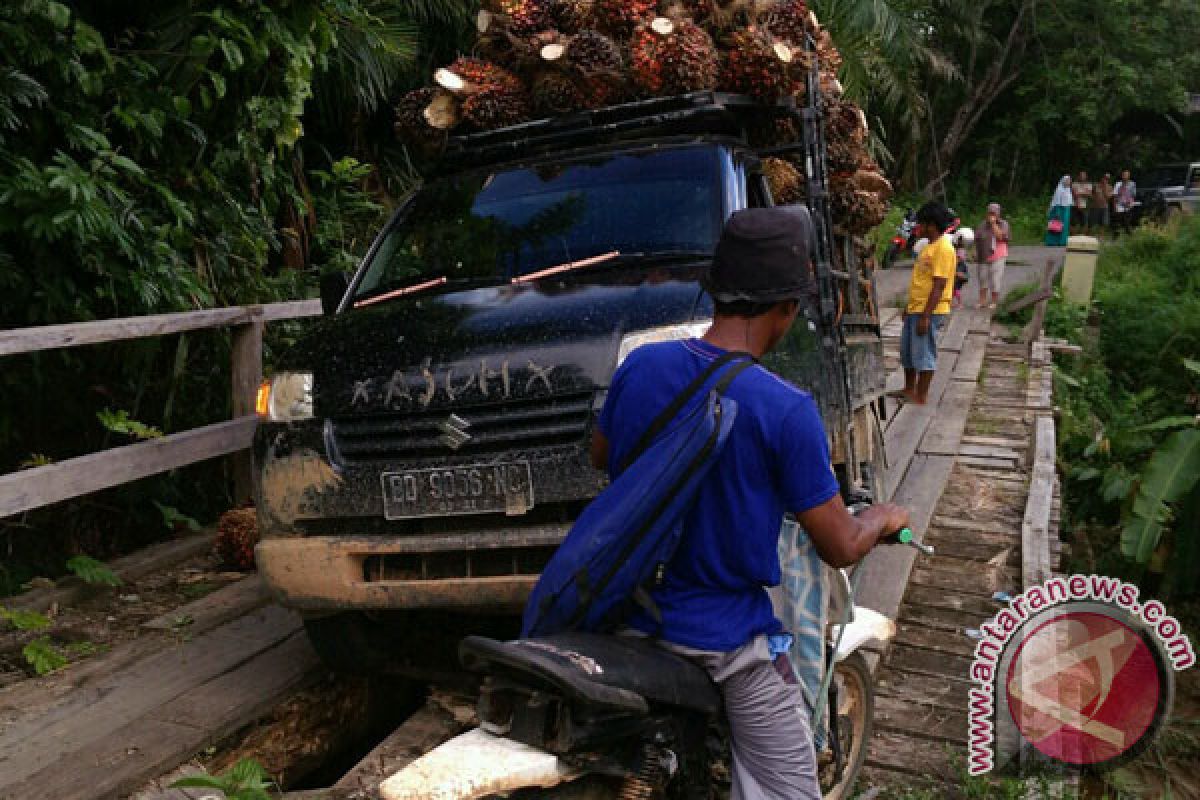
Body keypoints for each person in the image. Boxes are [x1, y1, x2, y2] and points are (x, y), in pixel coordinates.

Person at [590, 207, 910, 800]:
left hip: (626, 614)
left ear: (714, 290)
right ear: (789, 307)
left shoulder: (640, 368)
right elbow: (838, 543)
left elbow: (600, 454)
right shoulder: (785, 409)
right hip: (720, 641)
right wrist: (882, 518)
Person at [898, 202, 956, 404]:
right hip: (917, 307)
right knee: (907, 351)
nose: (918, 228)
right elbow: (921, 281)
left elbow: (939, 285)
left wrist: (926, 316)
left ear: (931, 225)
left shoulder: (943, 249)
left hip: (929, 310)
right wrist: (909, 306)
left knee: (923, 353)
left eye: (921, 224)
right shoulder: (928, 247)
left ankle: (921, 395)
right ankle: (908, 388)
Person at [974, 202, 1010, 309]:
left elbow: (1000, 237)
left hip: (998, 255)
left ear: (999, 213)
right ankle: (982, 301)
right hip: (983, 255)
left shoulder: (1004, 224)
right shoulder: (982, 224)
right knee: (982, 278)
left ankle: (994, 301)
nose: (992, 215)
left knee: (995, 279)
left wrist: (994, 224)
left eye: (994, 213)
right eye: (990, 212)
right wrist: (975, 251)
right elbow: (977, 239)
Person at [1046, 176, 1073, 246]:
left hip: (1066, 210)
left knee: (1064, 227)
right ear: (1063, 181)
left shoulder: (1068, 189)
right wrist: (1057, 212)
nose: (1069, 182)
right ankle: (1053, 242)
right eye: (1067, 180)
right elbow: (1057, 202)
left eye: (1069, 180)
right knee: (1056, 226)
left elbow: (1069, 201)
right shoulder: (1059, 190)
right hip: (1059, 210)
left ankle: (1062, 242)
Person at [1113, 169, 1137, 237]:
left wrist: (1130, 203)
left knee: (1127, 222)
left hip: (1128, 206)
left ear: (1129, 176)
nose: (1125, 176)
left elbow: (1133, 195)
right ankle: (1116, 237)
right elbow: (1115, 195)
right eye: (1124, 175)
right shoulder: (1118, 184)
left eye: (1127, 175)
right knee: (1117, 223)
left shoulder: (1132, 184)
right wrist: (1115, 206)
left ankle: (1130, 237)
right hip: (1119, 205)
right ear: (1122, 176)